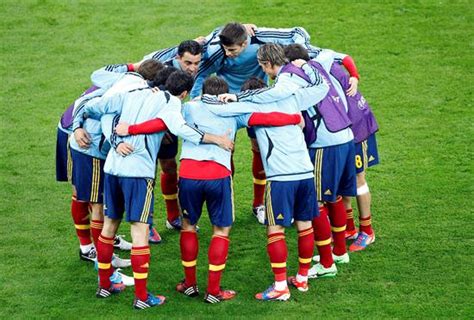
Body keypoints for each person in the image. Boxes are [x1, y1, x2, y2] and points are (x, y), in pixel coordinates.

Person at [116, 75, 303, 303]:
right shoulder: (233, 109)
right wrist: (294, 117)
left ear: (202, 91)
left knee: (188, 226)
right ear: (223, 94)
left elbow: (160, 122)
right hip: (218, 175)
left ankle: (189, 284)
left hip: (189, 175)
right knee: (221, 231)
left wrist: (129, 129)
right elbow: (267, 118)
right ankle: (213, 291)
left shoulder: (187, 108)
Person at [73, 71, 233, 309]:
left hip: (113, 168)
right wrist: (215, 139)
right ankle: (141, 297)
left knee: (109, 227)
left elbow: (100, 109)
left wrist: (115, 139)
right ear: (185, 92)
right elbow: (179, 128)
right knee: (139, 233)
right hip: (138, 172)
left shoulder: (132, 92)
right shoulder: (172, 102)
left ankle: (105, 285)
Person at [205, 64, 329, 301]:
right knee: (305, 226)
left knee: (276, 229)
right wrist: (291, 118)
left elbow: (220, 110)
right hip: (305, 172)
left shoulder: (250, 110)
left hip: (281, 177)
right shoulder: (291, 104)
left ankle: (281, 286)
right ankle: (302, 279)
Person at [192, 22, 318, 223]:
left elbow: (298, 32)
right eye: (225, 49)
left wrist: (300, 59)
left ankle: (259, 204)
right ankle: (225, 199)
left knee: (260, 148)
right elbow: (201, 74)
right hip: (227, 105)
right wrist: (195, 103)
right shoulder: (219, 50)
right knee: (225, 149)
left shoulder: (260, 39)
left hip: (256, 101)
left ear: (244, 43)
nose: (228, 53)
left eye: (232, 49)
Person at [283, 44, 359, 278]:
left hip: (325, 145)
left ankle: (327, 264)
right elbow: (337, 54)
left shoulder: (292, 78)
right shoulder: (320, 62)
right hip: (346, 138)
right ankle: (339, 251)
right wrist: (354, 75)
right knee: (334, 197)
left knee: (316, 203)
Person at [142, 40, 204, 232]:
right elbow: (144, 100)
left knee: (169, 167)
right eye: (188, 63)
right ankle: (147, 224)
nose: (193, 68)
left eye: (196, 63)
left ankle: (173, 217)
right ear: (178, 58)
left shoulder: (192, 73)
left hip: (171, 127)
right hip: (149, 128)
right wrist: (161, 127)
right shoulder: (163, 73)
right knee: (146, 173)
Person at [328, 58, 379, 251]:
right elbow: (345, 57)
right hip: (344, 126)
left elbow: (346, 59)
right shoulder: (319, 58)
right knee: (342, 179)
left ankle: (367, 231)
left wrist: (355, 76)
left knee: (358, 179)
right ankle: (349, 228)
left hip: (357, 127)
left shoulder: (312, 68)